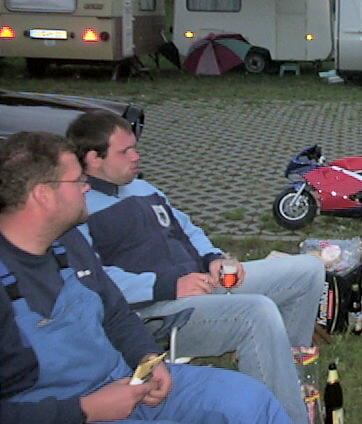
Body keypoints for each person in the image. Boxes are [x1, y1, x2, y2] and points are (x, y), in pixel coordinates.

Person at [0, 131, 293, 424]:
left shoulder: (69, 242)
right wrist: (86, 410)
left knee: (251, 400)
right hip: (60, 412)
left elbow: (116, 314)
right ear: (43, 195)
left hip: (123, 381)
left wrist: (146, 357)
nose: (87, 187)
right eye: (77, 181)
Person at [65, 111, 325, 424]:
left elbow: (188, 229)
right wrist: (167, 285)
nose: (136, 156)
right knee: (257, 311)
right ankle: (289, 416)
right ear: (93, 158)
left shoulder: (143, 188)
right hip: (155, 310)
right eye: (125, 151)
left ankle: (289, 376)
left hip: (202, 283)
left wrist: (213, 259)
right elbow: (93, 282)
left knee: (308, 270)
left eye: (135, 147)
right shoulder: (78, 210)